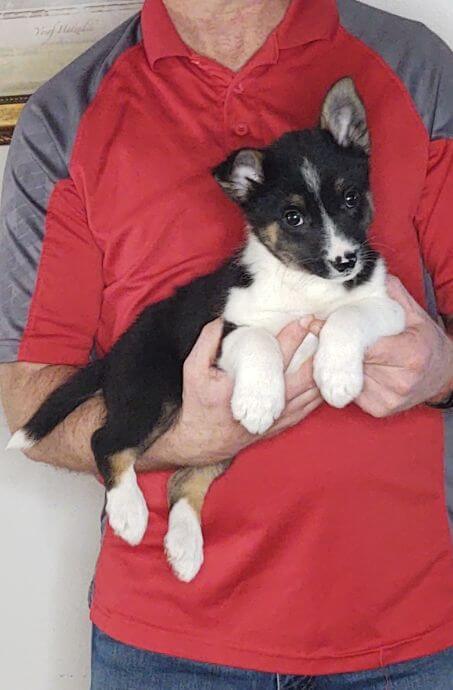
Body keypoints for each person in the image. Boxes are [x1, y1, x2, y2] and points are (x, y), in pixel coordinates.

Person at [1, 0, 453, 687]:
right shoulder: (67, 117)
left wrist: (441, 369)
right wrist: (184, 437)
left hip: (406, 634)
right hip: (166, 646)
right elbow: (29, 396)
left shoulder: (413, 70)